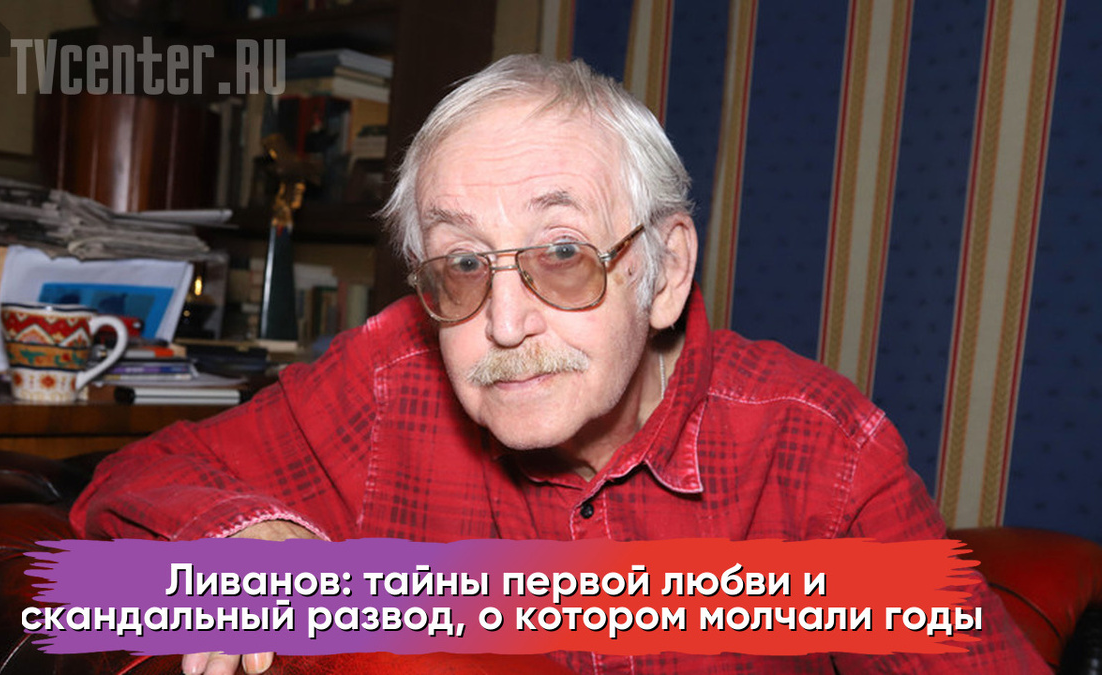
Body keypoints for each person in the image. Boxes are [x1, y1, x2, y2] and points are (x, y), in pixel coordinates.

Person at [71, 54, 1048, 675]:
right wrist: (245, 540)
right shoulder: (389, 378)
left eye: (564, 253)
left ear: (664, 271)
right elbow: (133, 479)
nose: (503, 322)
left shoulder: (817, 450)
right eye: (462, 264)